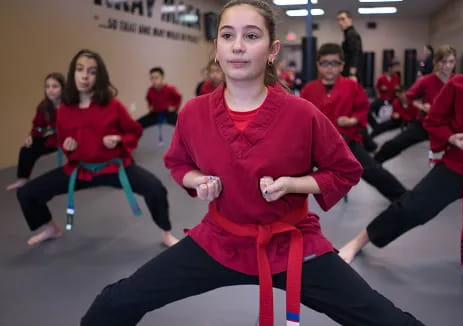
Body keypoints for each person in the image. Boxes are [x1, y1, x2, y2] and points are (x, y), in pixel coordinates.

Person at [80, 2, 424, 325]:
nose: (238, 46)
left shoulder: (301, 114)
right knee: (114, 304)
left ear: (272, 50)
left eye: (251, 36)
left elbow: (345, 170)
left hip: (289, 244)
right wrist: (199, 180)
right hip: (218, 240)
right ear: (216, 47)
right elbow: (178, 164)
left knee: (387, 319)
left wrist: (292, 184)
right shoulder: (194, 112)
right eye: (227, 35)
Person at [339, 25, 463, 264]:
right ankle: (359, 241)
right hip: (460, 166)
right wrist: (452, 137)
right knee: (412, 207)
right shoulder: (459, 85)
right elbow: (434, 120)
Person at [16, 50, 178, 247]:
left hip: (115, 168)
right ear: (72, 73)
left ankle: (166, 233)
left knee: (156, 189)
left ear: (98, 76)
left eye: (92, 71)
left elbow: (134, 131)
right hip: (80, 170)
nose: (85, 76)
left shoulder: (113, 105)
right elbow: (64, 141)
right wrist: (68, 145)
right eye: (80, 69)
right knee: (27, 193)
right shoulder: (65, 110)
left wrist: (119, 138)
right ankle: (51, 227)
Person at [301, 43, 407, 202]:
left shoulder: (352, 86)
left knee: (372, 170)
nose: (329, 68)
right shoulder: (309, 89)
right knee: (293, 171)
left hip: (346, 142)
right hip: (316, 146)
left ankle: (403, 197)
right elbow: (302, 116)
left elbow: (363, 107)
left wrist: (352, 120)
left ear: (342, 65)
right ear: (318, 64)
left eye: (334, 63)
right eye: (324, 63)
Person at [374, 45, 457, 164]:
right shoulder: (426, 81)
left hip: (448, 127)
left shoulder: (458, 81)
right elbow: (407, 98)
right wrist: (422, 107)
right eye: (444, 62)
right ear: (436, 62)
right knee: (395, 143)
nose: (448, 66)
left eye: (451, 62)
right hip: (425, 124)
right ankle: (373, 164)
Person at [6, 73, 65, 191]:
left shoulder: (72, 104)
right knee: (27, 149)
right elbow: (39, 126)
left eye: (55, 86)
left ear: (63, 88)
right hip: (57, 138)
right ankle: (23, 179)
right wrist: (32, 136)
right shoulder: (44, 107)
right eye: (47, 86)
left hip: (77, 136)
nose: (50, 90)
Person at [336, 10, 363, 84]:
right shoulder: (347, 34)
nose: (340, 22)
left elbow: (355, 53)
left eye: (343, 19)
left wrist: (352, 74)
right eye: (338, 20)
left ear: (350, 19)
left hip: (350, 75)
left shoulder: (352, 34)